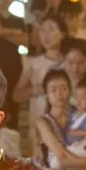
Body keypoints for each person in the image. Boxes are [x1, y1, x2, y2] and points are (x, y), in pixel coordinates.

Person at [33, 69, 86, 170]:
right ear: (47, 94)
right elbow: (61, 156)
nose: (59, 94)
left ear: (70, 90)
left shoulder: (80, 116)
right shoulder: (43, 122)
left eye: (63, 88)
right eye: (53, 90)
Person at [14, 14, 67, 142]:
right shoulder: (33, 62)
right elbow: (16, 95)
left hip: (65, 119)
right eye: (42, 30)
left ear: (63, 34)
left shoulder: (70, 62)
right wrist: (35, 90)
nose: (46, 35)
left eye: (51, 30)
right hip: (39, 117)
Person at [0, 0, 28, 125]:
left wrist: (2, 32)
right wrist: (13, 32)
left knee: (13, 98)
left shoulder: (18, 20)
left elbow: (24, 40)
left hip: (14, 63)